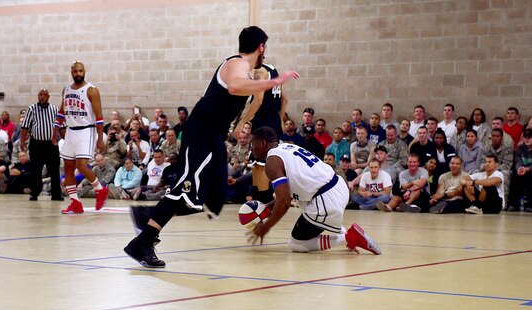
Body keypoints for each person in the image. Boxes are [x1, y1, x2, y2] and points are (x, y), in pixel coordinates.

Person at [124, 26, 300, 268]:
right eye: (265, 49)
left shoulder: (247, 72)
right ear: (261, 48)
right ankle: (143, 241)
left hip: (213, 136)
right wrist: (276, 81)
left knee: (212, 201)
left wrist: (240, 122)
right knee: (186, 190)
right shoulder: (235, 63)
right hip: (202, 132)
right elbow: (235, 87)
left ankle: (147, 216)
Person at [246, 126, 380, 254]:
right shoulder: (287, 147)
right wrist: (267, 208)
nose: (251, 148)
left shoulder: (272, 163)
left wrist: (266, 227)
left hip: (325, 198)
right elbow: (291, 193)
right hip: (337, 185)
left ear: (263, 143)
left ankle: (349, 238)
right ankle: (348, 234)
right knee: (305, 204)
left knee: (296, 243)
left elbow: (284, 201)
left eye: (253, 144)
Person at [54, 61, 109, 214]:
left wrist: (99, 139)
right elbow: (61, 112)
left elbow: (99, 117)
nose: (78, 73)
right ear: (71, 72)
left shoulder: (91, 90)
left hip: (86, 130)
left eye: (80, 71)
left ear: (84, 71)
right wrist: (55, 132)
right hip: (71, 130)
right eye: (75, 71)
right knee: (68, 167)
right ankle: (75, 202)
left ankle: (100, 190)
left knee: (82, 166)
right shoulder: (66, 89)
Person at [21, 88, 63, 201]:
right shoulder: (32, 109)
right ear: (37, 96)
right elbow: (25, 126)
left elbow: (62, 126)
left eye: (44, 95)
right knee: (36, 170)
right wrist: (22, 142)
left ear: (48, 97)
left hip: (51, 144)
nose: (42, 97)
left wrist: (66, 140)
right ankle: (35, 192)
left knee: (54, 170)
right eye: (40, 95)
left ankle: (56, 194)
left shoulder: (54, 109)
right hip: (36, 144)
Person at [234, 62, 286, 139]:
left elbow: (258, 100)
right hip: (275, 119)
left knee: (260, 149)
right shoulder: (274, 70)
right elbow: (284, 98)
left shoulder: (260, 71)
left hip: (263, 120)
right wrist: (280, 118)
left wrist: (242, 122)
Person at [507, 128, 532, 212]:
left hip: (530, 170)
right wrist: (519, 168)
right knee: (515, 177)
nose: (527, 139)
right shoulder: (520, 148)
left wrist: (528, 169)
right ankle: (513, 204)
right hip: (522, 170)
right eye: (525, 137)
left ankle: (529, 204)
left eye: (530, 137)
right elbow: (517, 160)